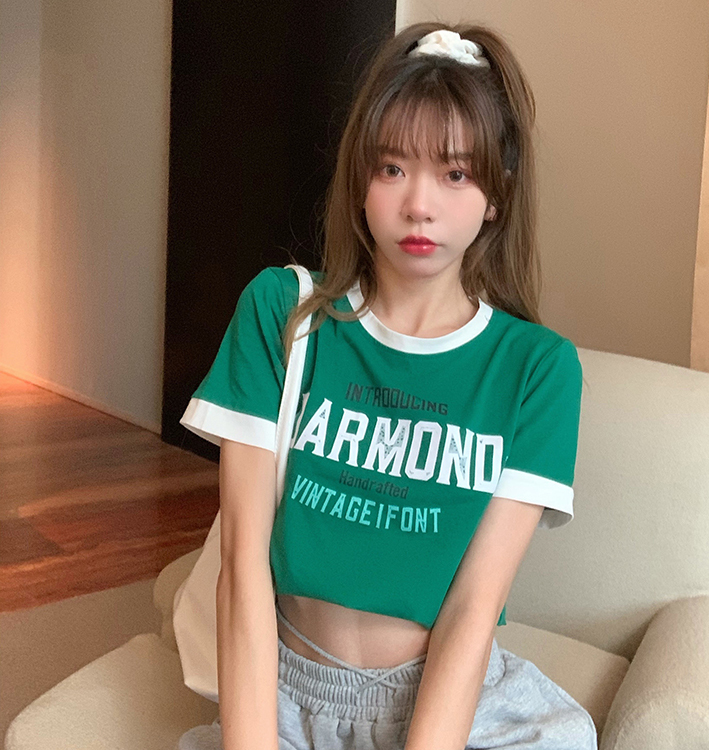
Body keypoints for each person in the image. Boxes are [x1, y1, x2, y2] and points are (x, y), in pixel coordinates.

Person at [177, 20, 597, 750]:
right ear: (360, 182)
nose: (419, 206)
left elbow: (472, 609)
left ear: (496, 194)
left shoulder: (538, 369)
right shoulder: (282, 312)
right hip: (287, 690)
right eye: (393, 168)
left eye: (456, 174)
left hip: (447, 701)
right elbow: (243, 570)